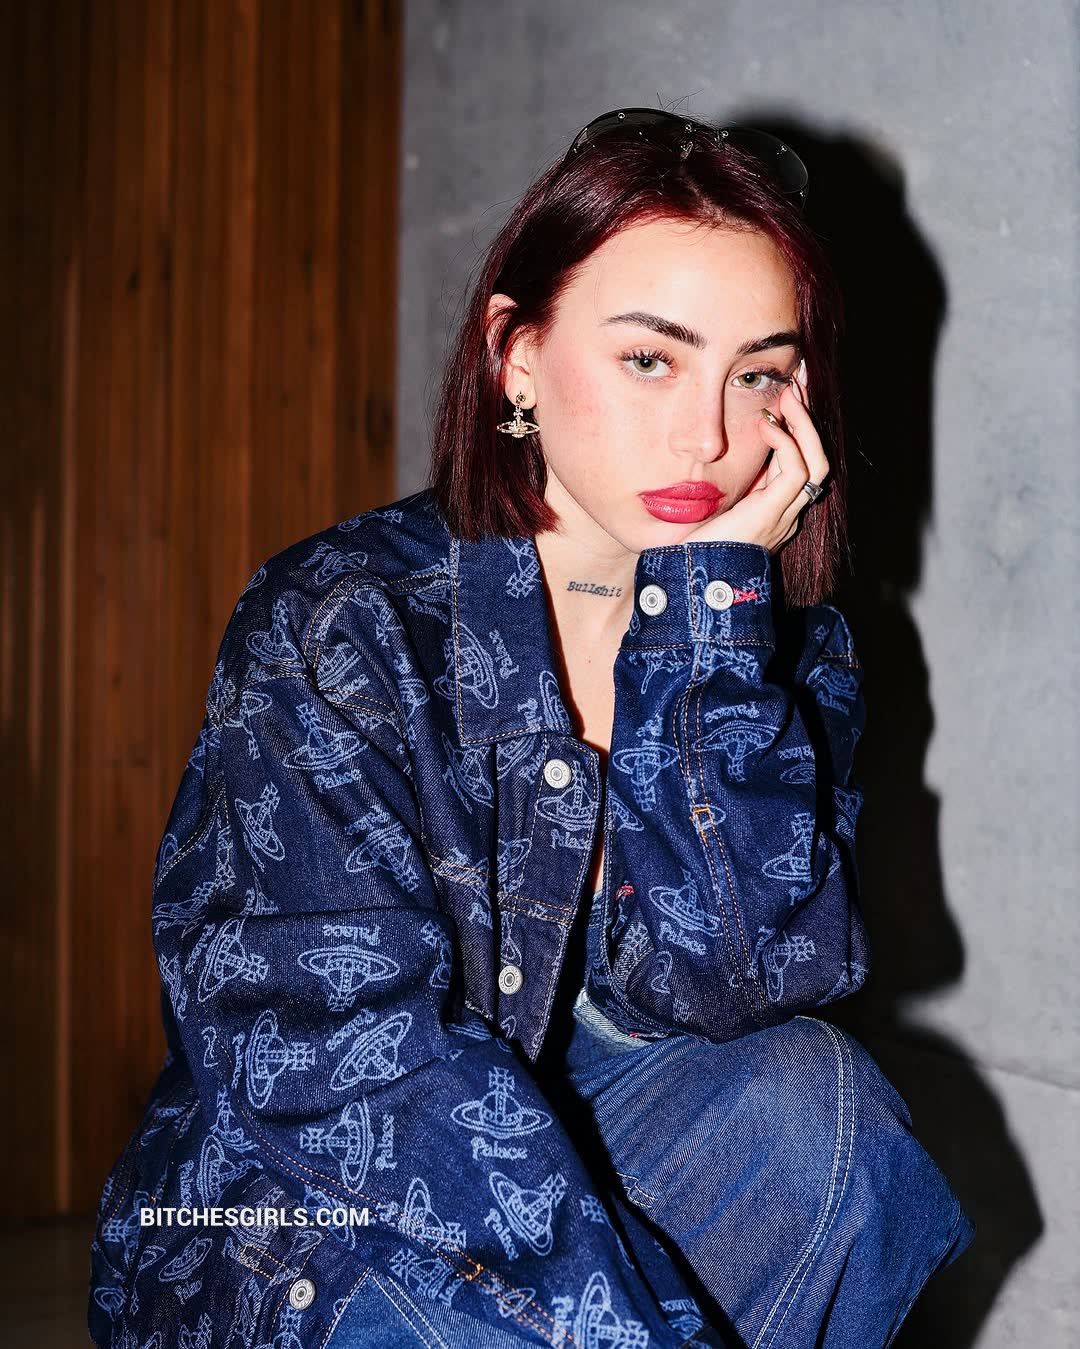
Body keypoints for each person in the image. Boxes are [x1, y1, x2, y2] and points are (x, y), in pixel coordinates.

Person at [88, 108, 974, 1348]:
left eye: (759, 373)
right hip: (304, 1207)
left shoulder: (776, 644)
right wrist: (627, 1325)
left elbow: (735, 986)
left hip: (578, 1141)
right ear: (516, 355)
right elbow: (343, 1067)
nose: (711, 436)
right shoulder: (345, 619)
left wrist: (704, 636)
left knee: (819, 1111)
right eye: (652, 359)